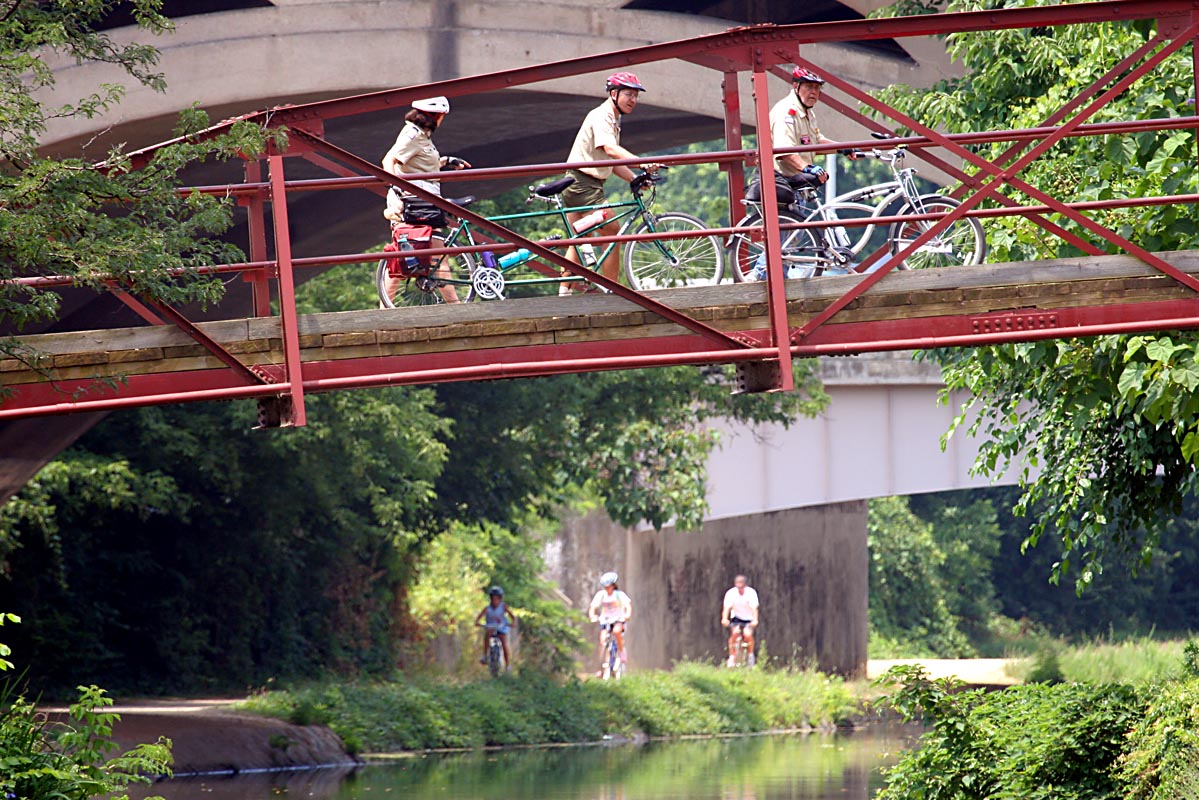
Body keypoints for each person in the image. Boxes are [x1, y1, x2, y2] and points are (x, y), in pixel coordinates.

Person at [560, 72, 659, 291]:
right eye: (628, 94)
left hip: (581, 182)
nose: (633, 100)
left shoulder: (613, 118)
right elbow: (611, 150)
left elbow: (610, 161)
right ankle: (614, 290)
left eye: (635, 95)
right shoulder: (602, 116)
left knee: (579, 237)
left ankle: (564, 289)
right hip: (583, 184)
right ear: (614, 94)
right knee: (612, 231)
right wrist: (642, 163)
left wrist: (633, 178)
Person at [380, 96, 471, 305]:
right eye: (442, 116)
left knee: (438, 256)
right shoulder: (412, 134)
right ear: (435, 116)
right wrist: (397, 186)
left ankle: (456, 307)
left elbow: (421, 166)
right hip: (411, 206)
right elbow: (389, 160)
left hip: (427, 205)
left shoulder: (423, 136)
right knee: (403, 258)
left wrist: (447, 161)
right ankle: (387, 309)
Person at [588, 571, 632, 673]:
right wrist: (592, 615)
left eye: (609, 586)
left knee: (617, 632)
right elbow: (593, 607)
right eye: (605, 587)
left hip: (618, 620)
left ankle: (621, 652)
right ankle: (601, 668)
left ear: (613, 585)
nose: (607, 589)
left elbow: (628, 606)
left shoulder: (619, 595)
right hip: (605, 621)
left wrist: (627, 615)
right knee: (602, 641)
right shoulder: (601, 595)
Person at [721, 574, 760, 667]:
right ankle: (731, 657)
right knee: (734, 634)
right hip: (736, 617)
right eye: (738, 587)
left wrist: (755, 620)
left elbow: (754, 608)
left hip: (748, 618)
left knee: (747, 635)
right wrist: (724, 619)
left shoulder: (751, 593)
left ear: (745, 585)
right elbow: (726, 608)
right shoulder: (731, 593)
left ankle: (750, 656)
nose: (740, 589)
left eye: (741, 587)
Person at [474, 586, 516, 670]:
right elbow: (479, 617)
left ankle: (507, 665)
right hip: (490, 626)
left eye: (497, 598)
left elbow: (512, 617)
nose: (495, 601)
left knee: (504, 643)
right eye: (493, 598)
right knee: (487, 635)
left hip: (501, 627)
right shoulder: (487, 609)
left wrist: (512, 623)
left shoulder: (503, 607)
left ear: (500, 599)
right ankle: (485, 656)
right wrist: (477, 622)